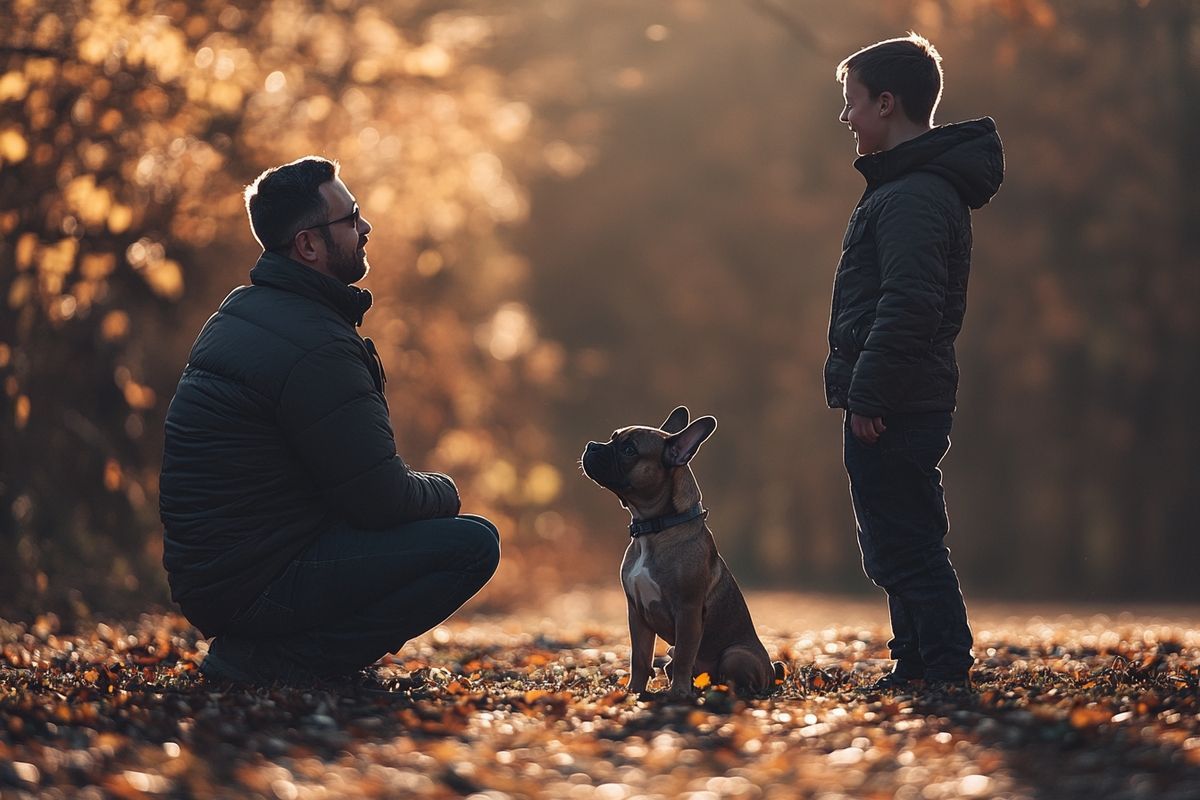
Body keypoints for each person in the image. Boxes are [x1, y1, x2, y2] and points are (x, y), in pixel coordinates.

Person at [159, 156, 500, 686]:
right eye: (352, 217)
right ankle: (282, 661)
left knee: (452, 533)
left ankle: (269, 650)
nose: (366, 228)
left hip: (221, 577)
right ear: (309, 246)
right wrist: (447, 491)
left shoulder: (248, 311)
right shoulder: (314, 343)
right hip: (255, 582)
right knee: (472, 544)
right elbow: (380, 499)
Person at [825, 35, 1004, 690]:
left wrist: (869, 394)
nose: (846, 118)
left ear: (886, 102)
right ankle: (915, 662)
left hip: (897, 400)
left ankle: (944, 667)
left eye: (852, 104)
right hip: (895, 394)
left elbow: (910, 305)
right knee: (894, 538)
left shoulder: (913, 198)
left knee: (907, 542)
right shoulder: (903, 191)